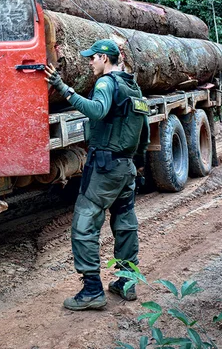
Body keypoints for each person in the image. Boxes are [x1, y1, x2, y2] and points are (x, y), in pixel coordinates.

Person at [45, 39, 149, 311]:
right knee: (125, 223)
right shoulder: (132, 86)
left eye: (92, 58)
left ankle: (92, 290)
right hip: (125, 168)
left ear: (105, 58)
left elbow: (98, 110)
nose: (89, 62)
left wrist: (63, 89)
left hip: (104, 168)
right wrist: (136, 163)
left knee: (84, 224)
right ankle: (126, 283)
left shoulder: (106, 84)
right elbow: (144, 130)